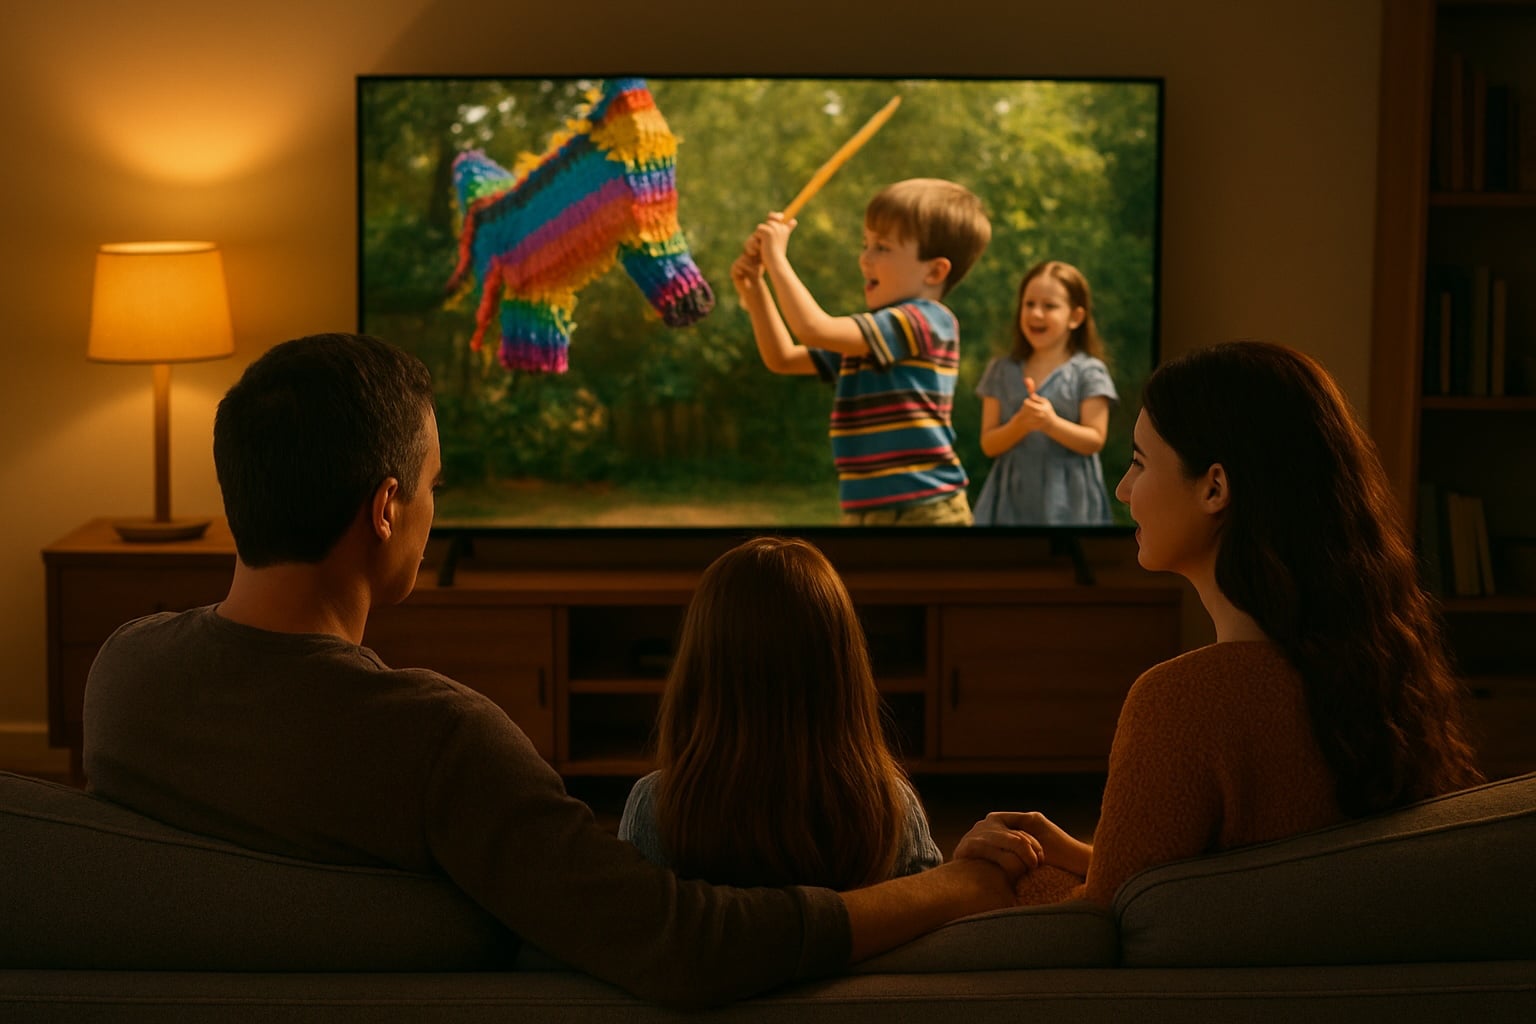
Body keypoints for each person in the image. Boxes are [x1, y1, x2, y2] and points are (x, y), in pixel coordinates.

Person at [81, 332, 1033, 1009]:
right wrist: (957, 886)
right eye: (436, 486)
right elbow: (681, 943)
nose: (434, 512)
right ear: (385, 506)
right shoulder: (440, 740)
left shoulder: (123, 675)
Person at [954, 340, 1484, 906]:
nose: (1123, 490)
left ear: (1214, 488)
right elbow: (1240, 884)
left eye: (1138, 463)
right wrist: (1085, 855)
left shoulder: (1184, 703)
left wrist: (982, 883)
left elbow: (1099, 933)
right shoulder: (1376, 666)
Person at [618, 536, 942, 888]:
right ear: (843, 672)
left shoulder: (656, 807)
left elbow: (633, 935)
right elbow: (930, 922)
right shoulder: (892, 807)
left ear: (700, 668)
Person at [732, 178, 991, 526]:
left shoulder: (924, 321)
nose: (864, 258)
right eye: (865, 244)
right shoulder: (870, 335)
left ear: (935, 270)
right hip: (864, 509)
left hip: (927, 509)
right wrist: (756, 289)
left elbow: (813, 328)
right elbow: (783, 358)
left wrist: (776, 259)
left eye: (882, 247)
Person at [972, 260, 1117, 526]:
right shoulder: (1000, 371)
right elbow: (989, 444)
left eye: (1049, 306)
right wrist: (1020, 424)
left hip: (1072, 508)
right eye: (1029, 304)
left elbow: (1095, 439)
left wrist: (1050, 424)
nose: (1036, 314)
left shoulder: (1089, 371)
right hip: (1009, 506)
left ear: (1075, 317)